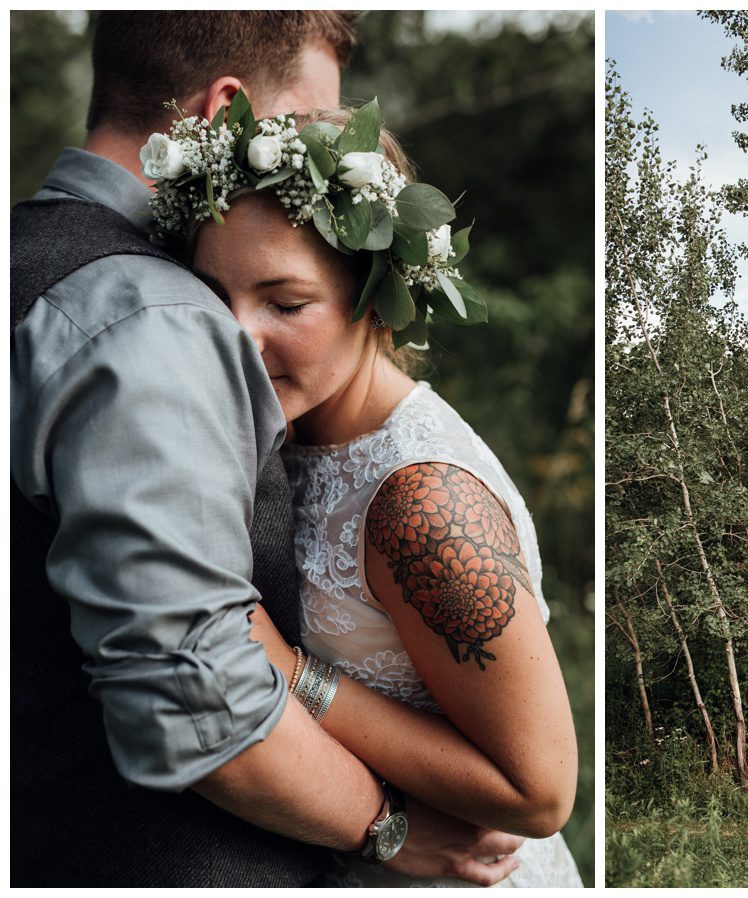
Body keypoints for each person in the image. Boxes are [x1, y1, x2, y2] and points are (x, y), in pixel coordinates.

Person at [10, 12, 520, 887]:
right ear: (228, 110)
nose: (314, 158)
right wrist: (385, 827)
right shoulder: (154, 319)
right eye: (301, 125)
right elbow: (191, 694)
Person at [175, 93, 582, 887]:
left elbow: (540, 796)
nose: (234, 339)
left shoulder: (425, 503)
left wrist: (289, 673)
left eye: (285, 304)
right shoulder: (288, 421)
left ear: (377, 300)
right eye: (211, 299)